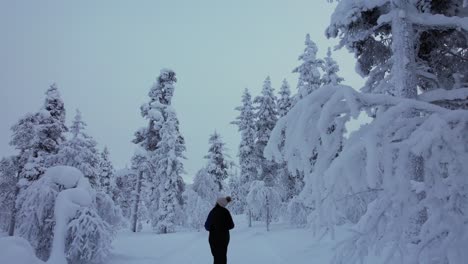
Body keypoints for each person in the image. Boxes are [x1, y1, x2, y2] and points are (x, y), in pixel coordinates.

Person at [204, 196, 235, 264]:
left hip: (213, 238)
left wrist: (213, 228)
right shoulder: (226, 212)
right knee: (223, 256)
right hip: (224, 238)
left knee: (216, 257)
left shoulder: (212, 212)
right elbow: (232, 226)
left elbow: (206, 227)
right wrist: (224, 227)